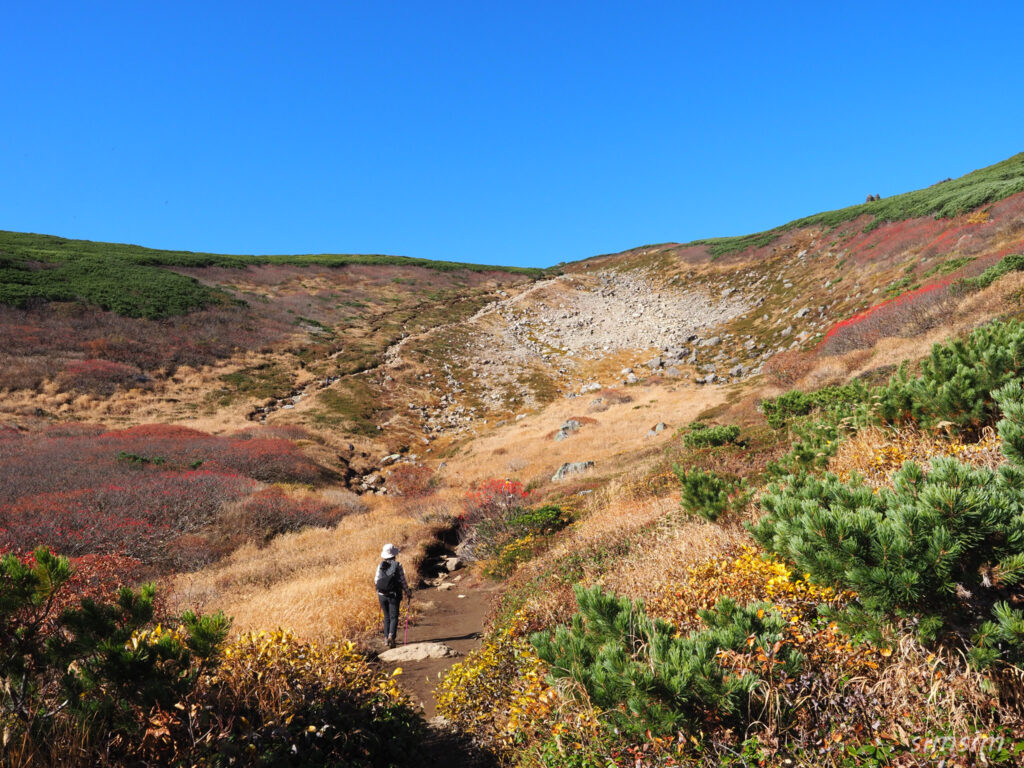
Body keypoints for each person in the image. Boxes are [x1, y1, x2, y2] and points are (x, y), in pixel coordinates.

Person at [375, 543, 412, 648]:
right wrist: (408, 592)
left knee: (386, 617)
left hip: (382, 594)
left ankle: (386, 639)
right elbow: (402, 580)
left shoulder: (381, 565)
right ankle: (392, 635)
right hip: (394, 595)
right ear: (394, 555)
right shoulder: (398, 565)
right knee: (394, 616)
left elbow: (376, 580)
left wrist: (380, 591)